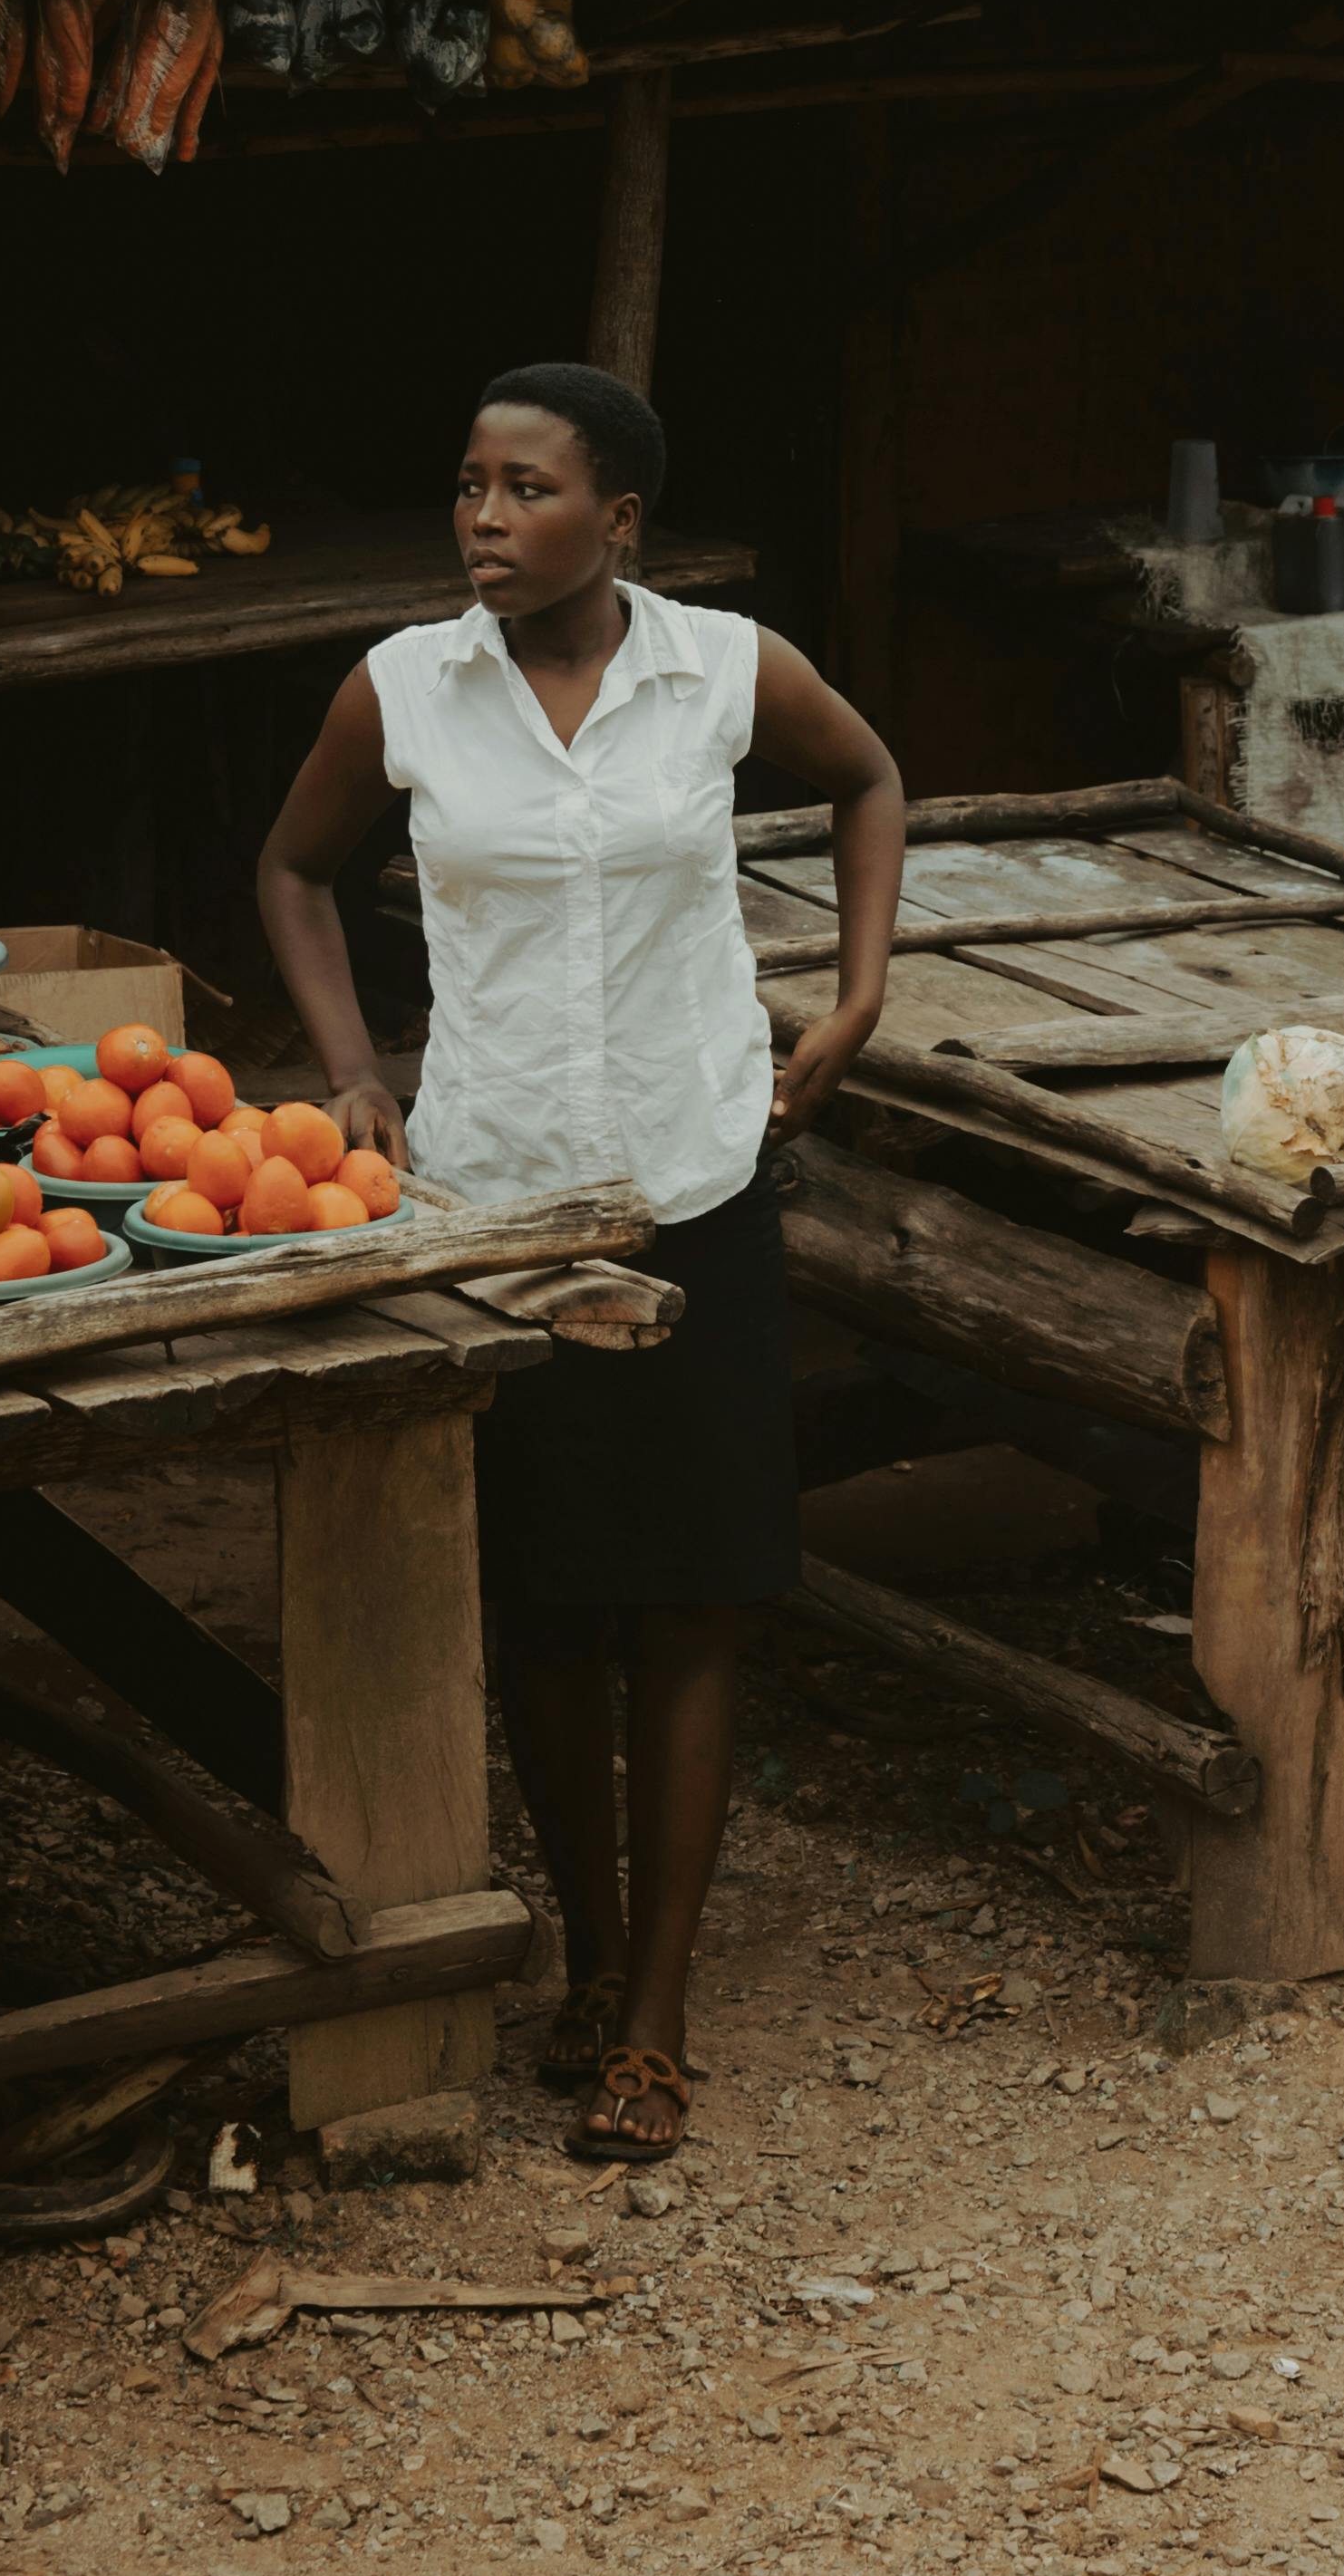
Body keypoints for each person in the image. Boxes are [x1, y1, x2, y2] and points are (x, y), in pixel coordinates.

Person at [256, 358, 903, 2162]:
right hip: (501, 1204)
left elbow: (866, 774)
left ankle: (654, 2016)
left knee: (692, 1599)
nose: (483, 516)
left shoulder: (723, 666)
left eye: (525, 488)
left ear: (616, 518)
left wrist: (858, 990)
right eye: (470, 482)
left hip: (697, 1174)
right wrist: (355, 1070)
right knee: (547, 1602)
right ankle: (595, 1951)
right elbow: (296, 871)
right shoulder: (404, 686)